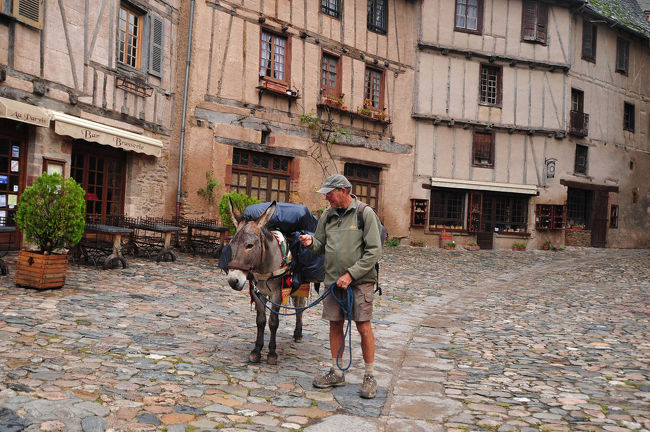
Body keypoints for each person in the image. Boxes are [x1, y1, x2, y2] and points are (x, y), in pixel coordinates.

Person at [299, 173, 383, 399]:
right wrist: (309, 243)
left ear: (343, 191)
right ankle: (337, 372)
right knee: (335, 325)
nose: (327, 198)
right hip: (333, 282)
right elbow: (319, 246)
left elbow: (374, 251)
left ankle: (370, 375)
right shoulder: (327, 215)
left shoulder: (365, 214)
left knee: (363, 326)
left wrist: (351, 274)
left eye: (330, 193)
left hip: (360, 281)